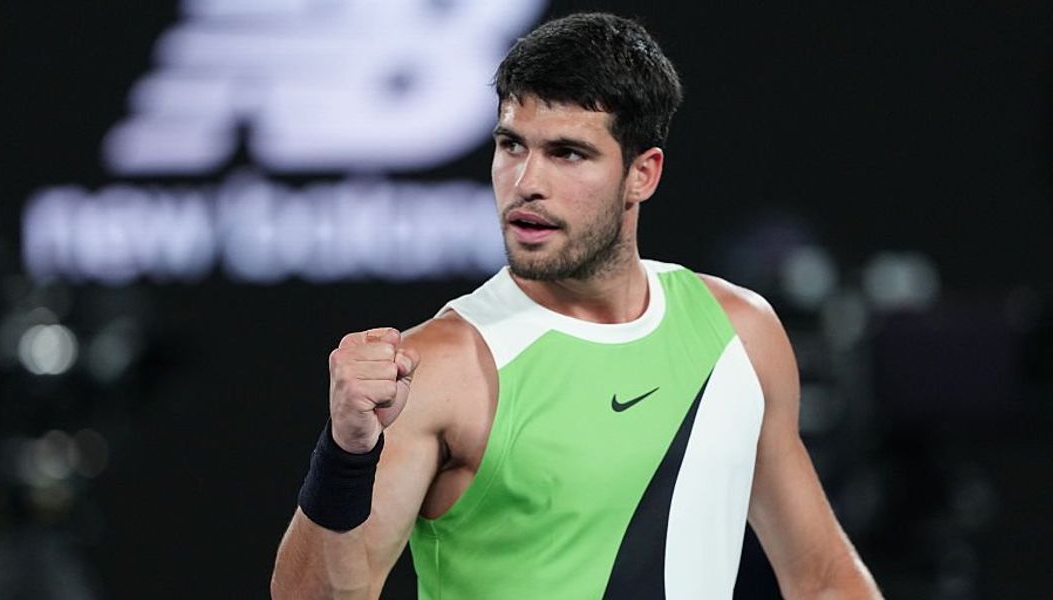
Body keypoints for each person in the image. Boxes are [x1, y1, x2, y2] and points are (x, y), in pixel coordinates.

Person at [272, 12, 880, 599]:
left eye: (567, 153)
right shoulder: (438, 369)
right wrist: (347, 455)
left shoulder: (739, 334)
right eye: (511, 145)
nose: (525, 182)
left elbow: (824, 579)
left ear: (642, 174)